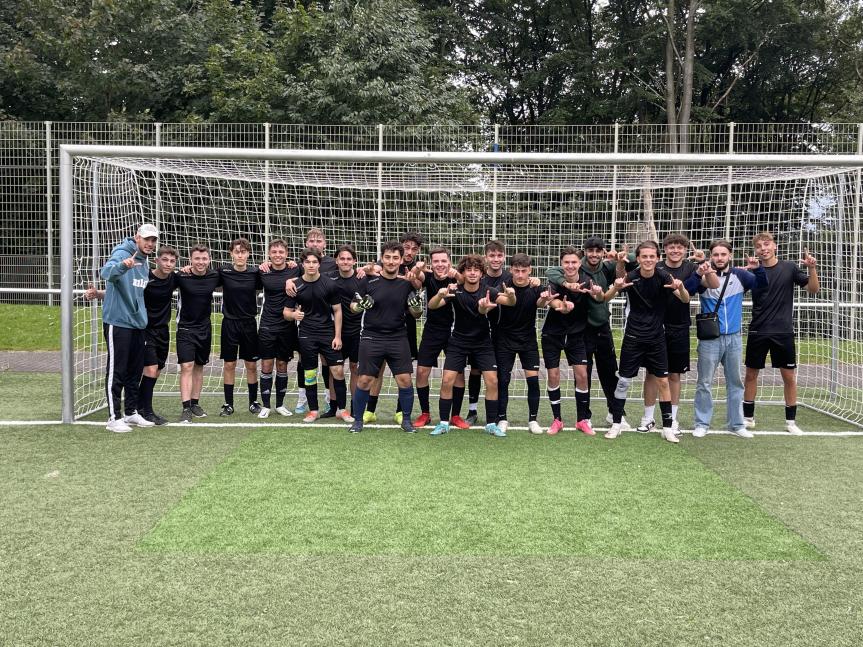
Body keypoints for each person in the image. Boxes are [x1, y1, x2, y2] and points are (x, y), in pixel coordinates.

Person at [603, 240, 691, 443]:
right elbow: (605, 298)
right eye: (644, 256)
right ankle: (617, 424)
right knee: (624, 381)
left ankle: (667, 427)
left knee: (663, 380)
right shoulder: (631, 277)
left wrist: (681, 287)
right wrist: (616, 288)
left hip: (657, 338)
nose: (648, 260)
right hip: (633, 337)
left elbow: (685, 299)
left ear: (657, 258)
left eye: (652, 256)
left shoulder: (663, 276)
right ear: (639, 258)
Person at [637, 234, 719, 434]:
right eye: (671, 247)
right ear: (664, 249)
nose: (675, 251)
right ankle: (648, 418)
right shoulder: (654, 266)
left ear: (685, 250)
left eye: (679, 248)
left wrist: (704, 266)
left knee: (674, 374)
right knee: (651, 374)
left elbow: (714, 284)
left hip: (680, 327)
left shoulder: (692, 268)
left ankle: (672, 420)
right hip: (655, 327)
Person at [547, 237, 631, 430]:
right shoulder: (576, 267)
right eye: (590, 250)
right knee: (584, 373)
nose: (594, 254)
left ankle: (615, 413)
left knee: (610, 372)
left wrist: (620, 259)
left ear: (603, 252)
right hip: (583, 328)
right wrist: (567, 285)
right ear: (584, 252)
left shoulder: (607, 267)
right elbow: (551, 272)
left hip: (603, 327)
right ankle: (585, 416)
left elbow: (624, 270)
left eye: (598, 251)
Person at [428, 254, 516, 438]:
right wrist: (439, 294)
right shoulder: (455, 290)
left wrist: (512, 295)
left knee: (492, 381)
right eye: (469, 270)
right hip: (458, 342)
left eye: (476, 270)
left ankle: (491, 424)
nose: (473, 273)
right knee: (447, 381)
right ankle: (444, 422)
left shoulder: (489, 290)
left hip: (483, 343)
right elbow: (432, 306)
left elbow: (509, 302)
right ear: (462, 272)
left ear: (482, 273)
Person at [743, 232, 819, 434]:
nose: (763, 248)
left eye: (766, 244)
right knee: (751, 374)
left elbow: (813, 289)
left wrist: (812, 268)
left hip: (783, 331)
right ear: (755, 251)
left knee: (789, 377)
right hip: (758, 330)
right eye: (758, 246)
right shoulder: (752, 272)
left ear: (774, 246)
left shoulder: (789, 268)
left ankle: (791, 422)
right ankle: (748, 418)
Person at [347, 241, 423, 434]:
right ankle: (358, 420)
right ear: (382, 258)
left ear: (400, 260)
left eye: (395, 258)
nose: (391, 261)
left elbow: (416, 314)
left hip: (398, 338)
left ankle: (406, 420)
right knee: (364, 380)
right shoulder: (368, 280)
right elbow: (353, 307)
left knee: (405, 380)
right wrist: (361, 305)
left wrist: (416, 306)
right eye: (387, 257)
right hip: (371, 338)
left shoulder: (406, 284)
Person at [693, 239, 767, 437]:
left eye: (723, 254)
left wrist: (757, 269)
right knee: (705, 382)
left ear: (730, 256)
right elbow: (691, 289)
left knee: (735, 382)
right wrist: (700, 269)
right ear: (711, 256)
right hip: (710, 339)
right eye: (715, 254)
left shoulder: (741, 275)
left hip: (734, 338)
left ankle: (737, 424)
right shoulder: (704, 275)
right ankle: (702, 423)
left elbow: (762, 286)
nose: (719, 258)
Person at [96, 223, 159, 432]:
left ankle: (131, 412)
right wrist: (124, 265)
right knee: (117, 370)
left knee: (134, 371)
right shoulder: (123, 252)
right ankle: (113, 418)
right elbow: (107, 273)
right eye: (147, 239)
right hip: (118, 322)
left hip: (137, 324)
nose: (150, 243)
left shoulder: (145, 261)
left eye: (153, 240)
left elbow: (132, 292)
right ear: (137, 238)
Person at [541, 246, 606, 436]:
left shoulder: (587, 282)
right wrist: (562, 306)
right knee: (553, 375)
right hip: (552, 335)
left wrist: (599, 292)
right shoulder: (554, 282)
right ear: (561, 264)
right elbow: (552, 302)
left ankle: (581, 420)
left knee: (582, 376)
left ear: (580, 263)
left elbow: (599, 297)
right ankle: (557, 420)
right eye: (566, 262)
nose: (570, 266)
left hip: (577, 336)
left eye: (574, 262)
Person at [283, 248, 350, 423]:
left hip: (328, 334)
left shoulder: (330, 284)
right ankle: (313, 411)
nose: (311, 265)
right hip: (306, 335)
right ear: (303, 264)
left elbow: (337, 311)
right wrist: (293, 316)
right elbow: (286, 312)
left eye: (314, 262)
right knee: (310, 373)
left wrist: (337, 336)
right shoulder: (294, 286)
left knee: (338, 371)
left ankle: (342, 410)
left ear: (319, 264)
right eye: (308, 262)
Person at [411, 247, 470, 429]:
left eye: (443, 261)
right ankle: (425, 414)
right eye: (436, 261)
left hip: (455, 331)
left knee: (458, 374)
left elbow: (467, 281)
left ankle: (456, 415)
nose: (440, 265)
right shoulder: (427, 277)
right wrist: (417, 269)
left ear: (449, 263)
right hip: (432, 330)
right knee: (421, 372)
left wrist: (458, 276)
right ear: (431, 263)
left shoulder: (457, 277)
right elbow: (415, 280)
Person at [494, 253, 552, 434]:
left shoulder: (536, 287)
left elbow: (541, 303)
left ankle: (533, 420)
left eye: (524, 271)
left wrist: (544, 298)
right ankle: (502, 418)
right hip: (504, 340)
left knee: (533, 381)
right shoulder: (502, 286)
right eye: (516, 270)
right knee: (503, 380)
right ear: (510, 270)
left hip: (528, 341)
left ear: (530, 271)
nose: (520, 275)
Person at [216, 238, 263, 417]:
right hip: (229, 323)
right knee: (229, 364)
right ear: (231, 254)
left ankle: (253, 402)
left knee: (251, 365)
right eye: (237, 251)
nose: (240, 255)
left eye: (243, 252)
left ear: (248, 254)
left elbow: (273, 276)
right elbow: (204, 275)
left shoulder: (255, 273)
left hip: (249, 323)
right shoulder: (223, 271)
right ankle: (228, 404)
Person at [176, 243, 222, 423]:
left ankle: (195, 403)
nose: (200, 262)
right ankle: (186, 407)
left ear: (209, 260)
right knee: (186, 366)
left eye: (204, 258)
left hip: (205, 328)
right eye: (197, 258)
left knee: (199, 367)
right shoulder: (182, 276)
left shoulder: (214, 276)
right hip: (185, 329)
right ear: (190, 260)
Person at [257, 238, 301, 418]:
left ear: (287, 254)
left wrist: (293, 279)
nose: (277, 255)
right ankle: (266, 405)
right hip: (267, 324)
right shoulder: (262, 272)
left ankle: (280, 404)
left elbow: (313, 274)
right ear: (269, 254)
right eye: (274, 252)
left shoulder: (295, 268)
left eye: (281, 252)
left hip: (287, 324)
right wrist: (262, 265)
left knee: (282, 364)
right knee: (266, 364)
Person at [328, 244, 364, 417]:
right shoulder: (328, 278)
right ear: (337, 260)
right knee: (334, 368)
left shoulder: (362, 278)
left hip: (358, 332)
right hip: (336, 331)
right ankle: (333, 406)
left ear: (355, 261)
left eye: (349, 258)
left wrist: (369, 268)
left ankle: (355, 406)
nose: (345, 261)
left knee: (355, 368)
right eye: (342, 258)